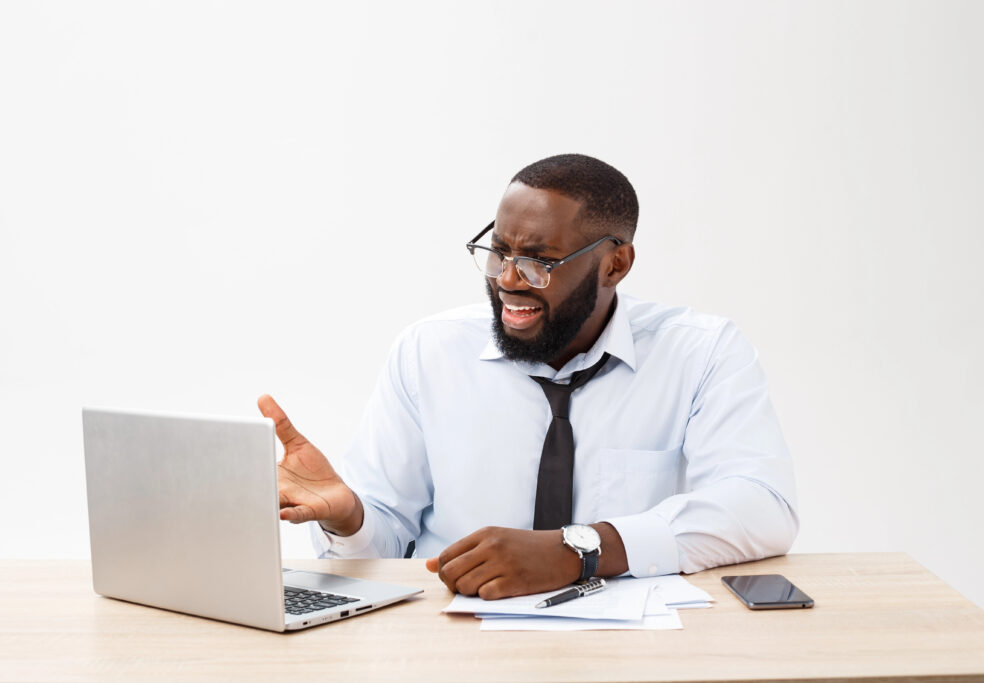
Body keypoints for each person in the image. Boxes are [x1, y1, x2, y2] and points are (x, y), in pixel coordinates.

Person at [259, 154, 798, 600]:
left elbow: (762, 506)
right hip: (447, 637)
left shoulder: (700, 353)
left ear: (615, 264)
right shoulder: (430, 350)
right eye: (499, 253)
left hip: (624, 647)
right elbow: (382, 548)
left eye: (540, 261)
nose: (509, 281)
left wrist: (579, 551)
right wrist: (349, 516)